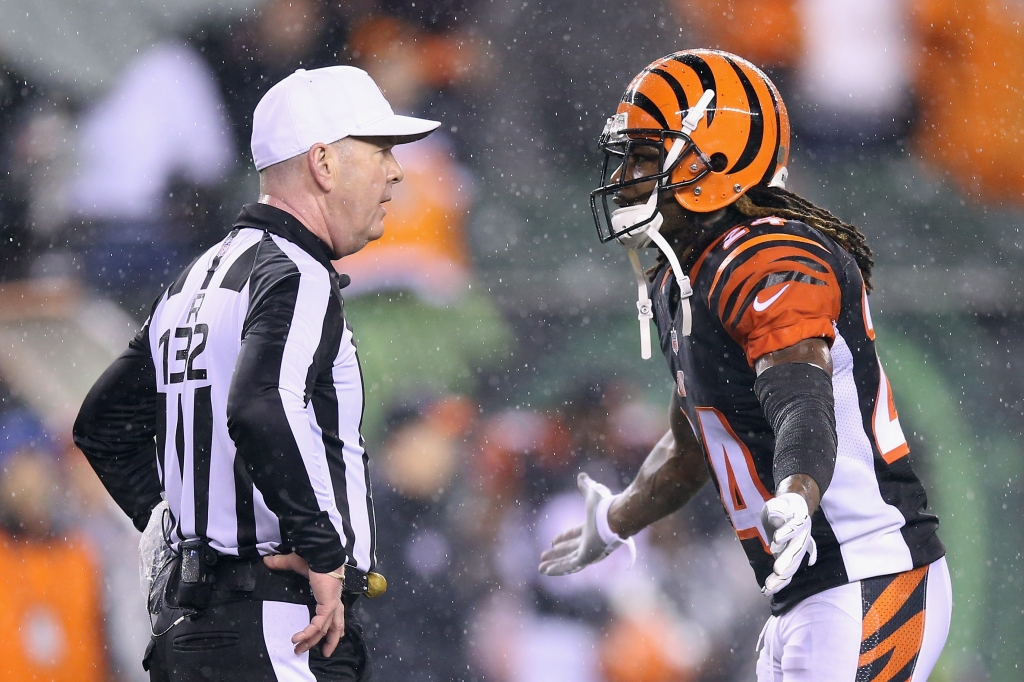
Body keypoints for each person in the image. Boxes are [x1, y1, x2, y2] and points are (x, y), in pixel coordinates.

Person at [538, 49, 951, 680]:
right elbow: (694, 445)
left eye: (648, 158)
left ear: (718, 163)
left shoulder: (765, 254)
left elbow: (800, 399)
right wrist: (616, 519)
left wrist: (796, 491)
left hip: (871, 572)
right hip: (808, 591)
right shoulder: (690, 274)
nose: (625, 178)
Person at [73, 65, 439, 681]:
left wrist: (183, 536)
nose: (395, 170)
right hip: (279, 627)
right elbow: (259, 404)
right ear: (323, 163)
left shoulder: (195, 278)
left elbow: (103, 426)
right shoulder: (296, 273)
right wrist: (322, 553)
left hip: (193, 629)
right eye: (379, 149)